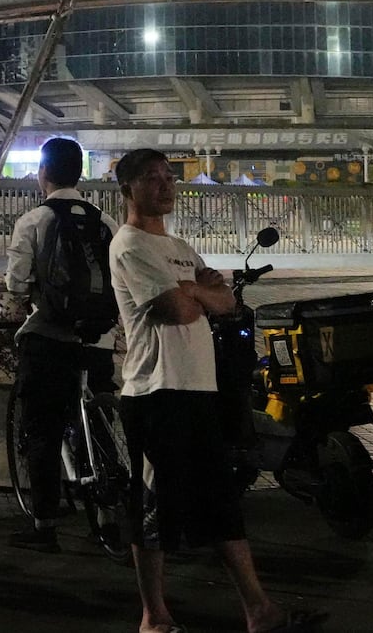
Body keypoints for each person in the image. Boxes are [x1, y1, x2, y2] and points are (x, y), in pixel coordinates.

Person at [110, 147, 325, 633]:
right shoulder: (129, 245)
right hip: (155, 391)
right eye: (152, 178)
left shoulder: (181, 248)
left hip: (198, 387)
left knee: (220, 500)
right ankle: (154, 618)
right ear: (128, 189)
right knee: (154, 503)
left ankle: (259, 610)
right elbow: (180, 311)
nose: (166, 185)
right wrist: (195, 293)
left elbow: (224, 301)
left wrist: (194, 291)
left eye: (169, 177)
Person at [3, 136, 120, 553]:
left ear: (43, 175)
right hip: (99, 339)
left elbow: (16, 285)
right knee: (100, 425)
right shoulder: (105, 222)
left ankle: (44, 525)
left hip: (49, 338)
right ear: (80, 174)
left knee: (43, 432)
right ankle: (109, 517)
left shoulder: (34, 220)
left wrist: (11, 313)